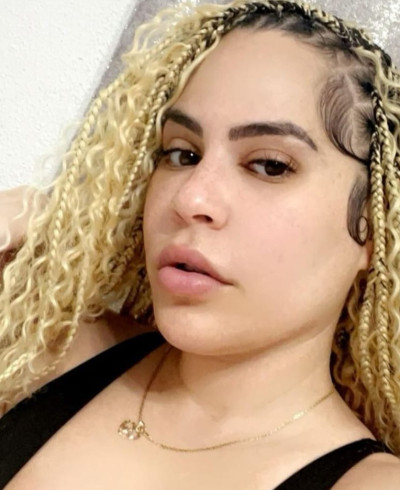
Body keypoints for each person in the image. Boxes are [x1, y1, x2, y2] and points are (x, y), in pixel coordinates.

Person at [1, 0, 400, 488]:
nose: (191, 198)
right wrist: (21, 215)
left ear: (373, 224)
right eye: (182, 154)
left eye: (270, 165)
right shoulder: (43, 351)